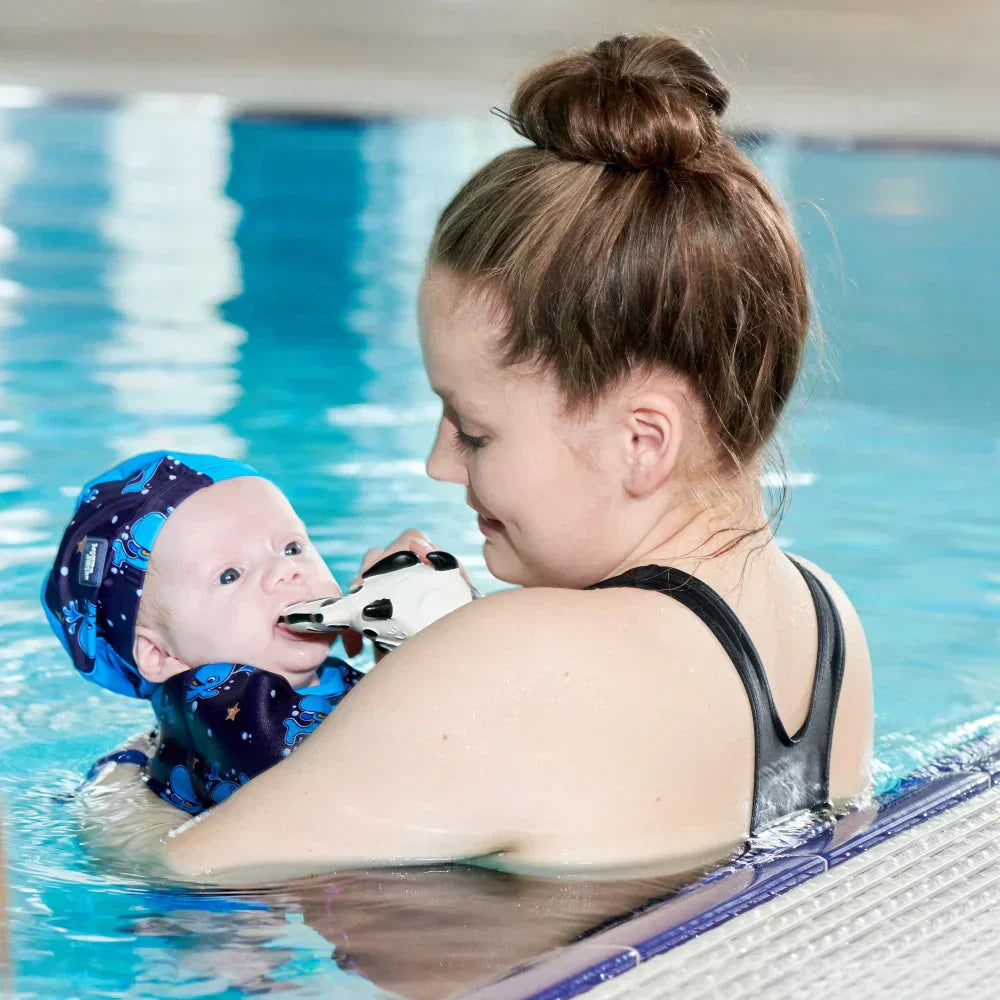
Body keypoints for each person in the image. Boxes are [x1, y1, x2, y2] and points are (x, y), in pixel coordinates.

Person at [103, 33, 874, 882]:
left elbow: (174, 871)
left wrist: (138, 770)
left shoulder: (507, 661)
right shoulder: (828, 618)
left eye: (472, 430)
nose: (440, 463)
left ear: (641, 442)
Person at [43, 451, 363, 813]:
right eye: (230, 575)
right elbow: (344, 771)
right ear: (160, 654)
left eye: (292, 547)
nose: (285, 570)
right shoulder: (217, 701)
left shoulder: (321, 673)